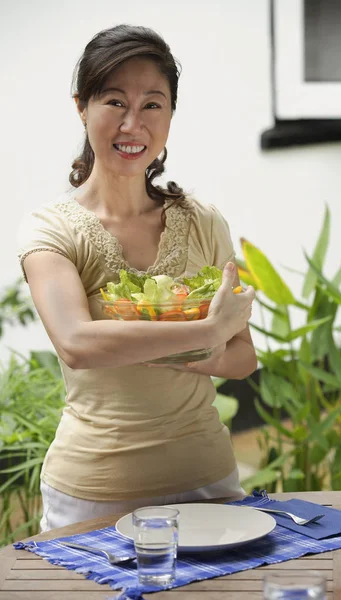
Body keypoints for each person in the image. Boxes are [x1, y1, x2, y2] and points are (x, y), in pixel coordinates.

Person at [17, 24, 256, 532]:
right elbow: (78, 343)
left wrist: (189, 349)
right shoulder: (51, 228)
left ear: (170, 113)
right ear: (82, 107)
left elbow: (242, 357)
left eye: (152, 105)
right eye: (114, 102)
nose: (133, 124)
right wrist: (204, 332)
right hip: (93, 492)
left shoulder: (203, 220)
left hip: (207, 479)